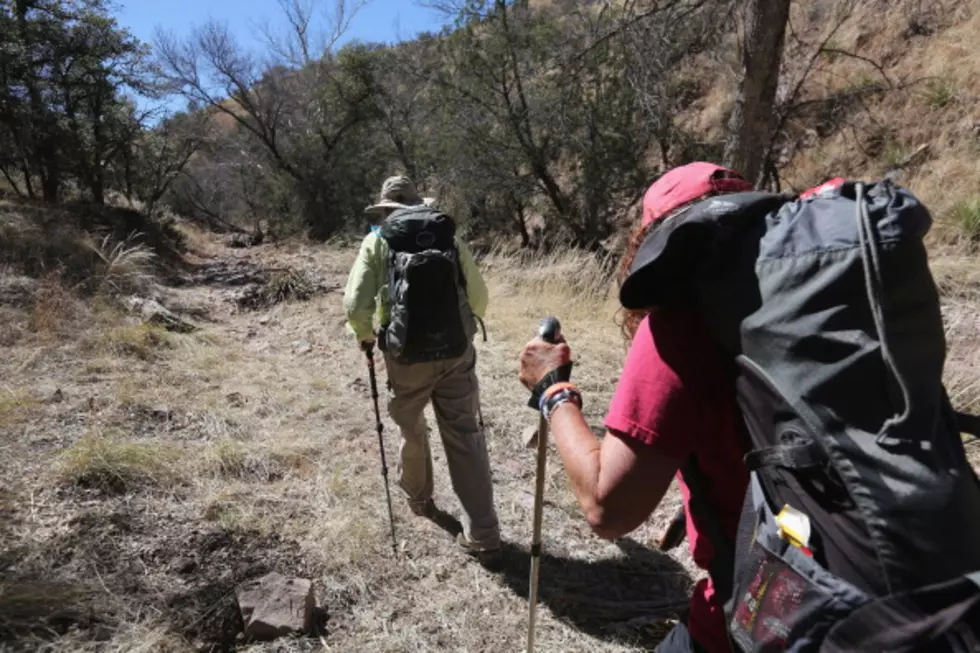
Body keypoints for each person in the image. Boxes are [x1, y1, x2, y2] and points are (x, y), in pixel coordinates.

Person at [517, 163, 756, 653]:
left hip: (773, 603)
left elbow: (607, 509)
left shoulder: (681, 325)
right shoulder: (814, 302)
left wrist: (553, 390)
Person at [344, 175, 500, 553]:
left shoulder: (377, 240)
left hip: (405, 356)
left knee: (411, 428)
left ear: (385, 209)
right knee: (465, 435)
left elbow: (354, 305)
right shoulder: (446, 235)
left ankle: (419, 499)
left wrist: (366, 336)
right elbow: (479, 298)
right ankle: (482, 533)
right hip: (456, 352)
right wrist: (459, 330)